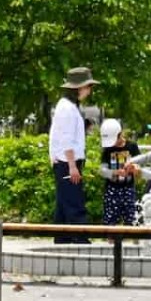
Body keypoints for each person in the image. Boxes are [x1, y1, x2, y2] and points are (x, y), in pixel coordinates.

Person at [48, 67, 99, 243]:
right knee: (74, 203)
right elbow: (66, 139)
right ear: (78, 87)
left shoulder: (68, 106)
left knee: (63, 205)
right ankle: (81, 241)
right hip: (68, 162)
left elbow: (57, 135)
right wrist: (72, 166)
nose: (89, 90)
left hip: (64, 161)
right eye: (87, 86)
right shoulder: (67, 108)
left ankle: (62, 241)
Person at [99, 119, 141, 226]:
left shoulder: (132, 147)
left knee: (130, 218)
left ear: (120, 134)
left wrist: (134, 168)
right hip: (111, 189)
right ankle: (111, 240)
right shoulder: (108, 150)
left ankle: (128, 239)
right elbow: (102, 170)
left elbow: (139, 166)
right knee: (110, 220)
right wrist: (115, 172)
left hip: (128, 189)